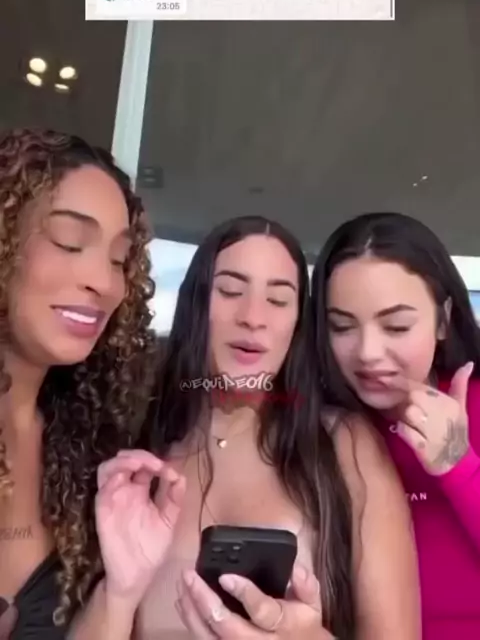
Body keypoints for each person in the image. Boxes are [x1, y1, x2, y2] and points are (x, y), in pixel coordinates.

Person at [72, 215, 420, 640]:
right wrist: (117, 592)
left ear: (297, 324)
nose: (253, 317)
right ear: (197, 304)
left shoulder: (344, 444)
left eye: (278, 299)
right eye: (231, 291)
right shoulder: (137, 450)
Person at [0, 127, 161, 638]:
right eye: (70, 241)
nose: (106, 282)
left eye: (118, 260)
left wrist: (120, 592)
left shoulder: (83, 454)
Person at [311, 211, 480, 640]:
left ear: (443, 319)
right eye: (342, 326)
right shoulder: (320, 427)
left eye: (396, 326)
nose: (368, 352)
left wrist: (460, 467)